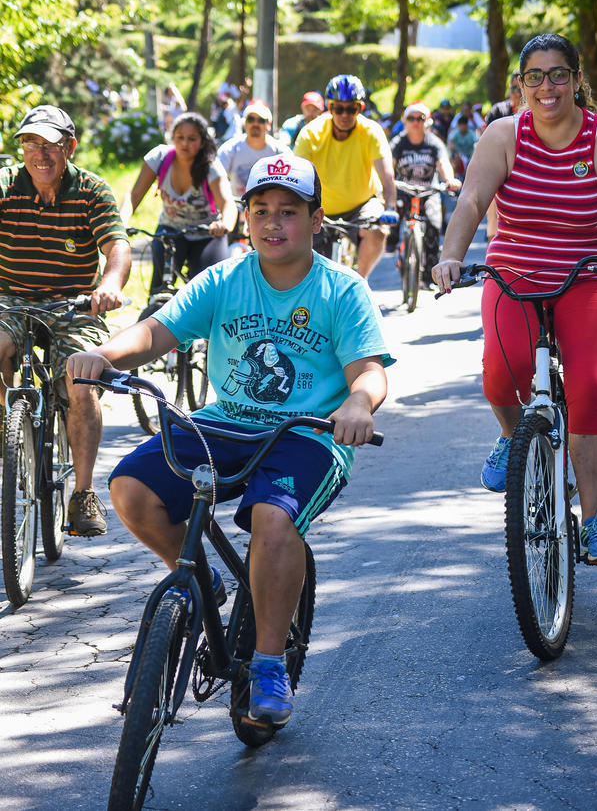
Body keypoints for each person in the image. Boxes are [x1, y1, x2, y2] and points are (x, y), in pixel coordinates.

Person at [67, 153, 392, 727]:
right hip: (225, 421)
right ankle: (200, 577)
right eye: (260, 210)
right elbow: (156, 331)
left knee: (272, 519)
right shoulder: (224, 278)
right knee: (131, 488)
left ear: (316, 220)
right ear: (244, 218)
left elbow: (368, 370)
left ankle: (268, 662)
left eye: (288, 212)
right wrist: (103, 354)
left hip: (307, 435)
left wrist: (358, 403)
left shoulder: (341, 290)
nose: (272, 223)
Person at [432, 32, 597, 565]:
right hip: (515, 273)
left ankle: (594, 518)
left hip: (587, 274)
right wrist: (451, 255)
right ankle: (512, 436)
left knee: (592, 384)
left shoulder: (596, 136)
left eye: (557, 75)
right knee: (502, 371)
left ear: (576, 80)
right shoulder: (504, 134)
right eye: (534, 76)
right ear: (520, 86)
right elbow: (474, 199)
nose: (546, 86)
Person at [0, 105, 130, 536]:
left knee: (82, 380)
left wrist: (109, 284)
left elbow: (117, 248)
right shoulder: (5, 185)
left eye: (50, 145)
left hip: (74, 303)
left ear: (69, 148)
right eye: (30, 144)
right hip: (10, 297)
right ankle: (7, 433)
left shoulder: (92, 191)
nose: (40, 154)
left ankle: (83, 493)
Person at [120, 111, 237, 295]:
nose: (185, 143)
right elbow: (134, 195)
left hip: (206, 233)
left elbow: (228, 203)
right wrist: (122, 222)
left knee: (208, 288)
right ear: (172, 138)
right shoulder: (159, 158)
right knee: (159, 286)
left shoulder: (211, 167)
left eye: (192, 139)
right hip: (170, 230)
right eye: (180, 137)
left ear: (202, 142)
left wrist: (224, 225)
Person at [294, 74, 397, 279]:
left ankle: (359, 283)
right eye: (338, 108)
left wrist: (391, 207)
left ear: (360, 108)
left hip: (362, 204)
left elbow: (387, 176)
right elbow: (297, 177)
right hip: (320, 207)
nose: (345, 114)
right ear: (329, 108)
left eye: (351, 108)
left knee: (378, 232)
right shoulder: (310, 133)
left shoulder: (371, 131)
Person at [390, 102, 462, 287]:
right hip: (404, 189)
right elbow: (389, 165)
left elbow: (443, 163)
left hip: (429, 191)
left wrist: (449, 180)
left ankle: (430, 274)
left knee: (433, 224)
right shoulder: (399, 142)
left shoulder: (433, 142)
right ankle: (394, 243)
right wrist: (386, 181)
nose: (416, 122)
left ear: (427, 121)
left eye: (420, 118)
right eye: (411, 118)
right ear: (405, 121)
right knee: (394, 213)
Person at [217, 100, 288, 200]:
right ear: (245, 123)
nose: (255, 124)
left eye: (261, 120)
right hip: (238, 205)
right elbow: (216, 178)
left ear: (268, 124)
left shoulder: (280, 152)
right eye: (251, 119)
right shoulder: (229, 149)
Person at [482, 73, 523, 241]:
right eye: (513, 88)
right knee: (493, 226)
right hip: (498, 170)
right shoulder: (499, 111)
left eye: (519, 88)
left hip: (523, 171)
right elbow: (484, 142)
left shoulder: (540, 112)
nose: (517, 93)